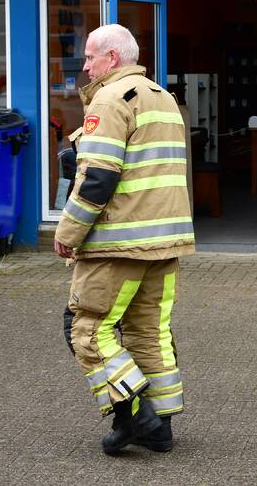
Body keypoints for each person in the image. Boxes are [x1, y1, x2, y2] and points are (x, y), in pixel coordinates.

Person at [54, 24, 195, 456]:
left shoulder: (111, 99)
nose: (85, 66)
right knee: (149, 332)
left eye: (90, 57)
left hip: (119, 243)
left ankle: (136, 416)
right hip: (166, 240)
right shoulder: (164, 98)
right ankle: (160, 428)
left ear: (111, 58)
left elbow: (97, 177)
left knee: (87, 328)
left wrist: (67, 232)